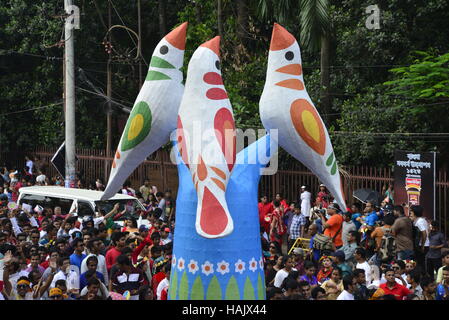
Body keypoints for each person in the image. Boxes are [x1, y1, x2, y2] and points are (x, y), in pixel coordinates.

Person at [409, 205, 430, 274]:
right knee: (420, 262)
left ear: (415, 212)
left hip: (422, 245)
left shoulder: (420, 221)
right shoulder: (419, 220)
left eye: (411, 212)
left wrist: (423, 245)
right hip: (421, 244)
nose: (410, 213)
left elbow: (424, 234)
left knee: (421, 263)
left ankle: (423, 277)